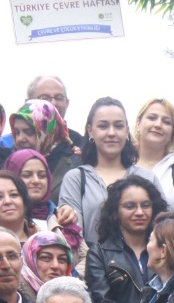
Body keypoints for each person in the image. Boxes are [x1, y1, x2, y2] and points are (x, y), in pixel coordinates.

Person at [84, 175, 161, 303]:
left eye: (146, 205)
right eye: (130, 206)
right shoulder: (99, 253)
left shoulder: (166, 249)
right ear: (116, 212)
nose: (139, 212)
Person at [59, 97, 137, 248]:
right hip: (91, 267)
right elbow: (74, 236)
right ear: (90, 131)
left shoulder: (146, 178)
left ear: (127, 131)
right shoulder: (76, 178)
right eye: (103, 126)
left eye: (119, 126)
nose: (111, 133)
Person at [5, 147, 84, 253]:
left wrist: (68, 270)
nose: (36, 181)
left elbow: (83, 257)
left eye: (42, 175)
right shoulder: (0, 219)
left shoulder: (63, 216)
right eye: (27, 175)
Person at [6, 98, 79, 188]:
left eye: (29, 132)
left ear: (47, 132)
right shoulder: (8, 162)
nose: (20, 139)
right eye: (17, 133)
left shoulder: (74, 165)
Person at [21, 231, 78, 296]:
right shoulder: (16, 296)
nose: (55, 265)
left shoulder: (78, 294)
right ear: (30, 261)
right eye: (46, 258)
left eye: (62, 259)